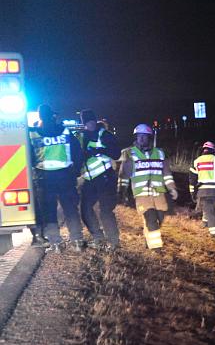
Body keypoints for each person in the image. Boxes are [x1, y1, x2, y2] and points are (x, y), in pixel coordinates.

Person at [28, 104, 85, 252]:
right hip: (65, 176)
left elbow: (28, 157)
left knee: (49, 212)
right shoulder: (65, 131)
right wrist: (76, 171)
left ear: (40, 116)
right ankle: (77, 241)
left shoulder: (33, 133)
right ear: (53, 115)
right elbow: (78, 152)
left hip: (44, 178)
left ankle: (56, 244)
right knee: (70, 209)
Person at [118, 124, 179, 250]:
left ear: (149, 138)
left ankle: (149, 237)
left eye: (144, 137)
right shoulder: (130, 153)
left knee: (159, 219)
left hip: (159, 193)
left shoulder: (160, 153)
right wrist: (121, 192)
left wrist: (172, 188)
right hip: (141, 194)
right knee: (150, 218)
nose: (141, 139)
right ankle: (156, 248)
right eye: (139, 136)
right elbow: (124, 176)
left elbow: (166, 173)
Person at [78, 109, 121, 250]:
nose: (88, 125)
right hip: (90, 180)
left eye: (90, 121)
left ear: (94, 121)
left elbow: (116, 153)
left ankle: (114, 243)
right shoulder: (82, 136)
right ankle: (98, 237)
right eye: (86, 122)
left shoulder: (105, 135)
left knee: (106, 211)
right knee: (85, 209)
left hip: (105, 178)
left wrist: (99, 150)